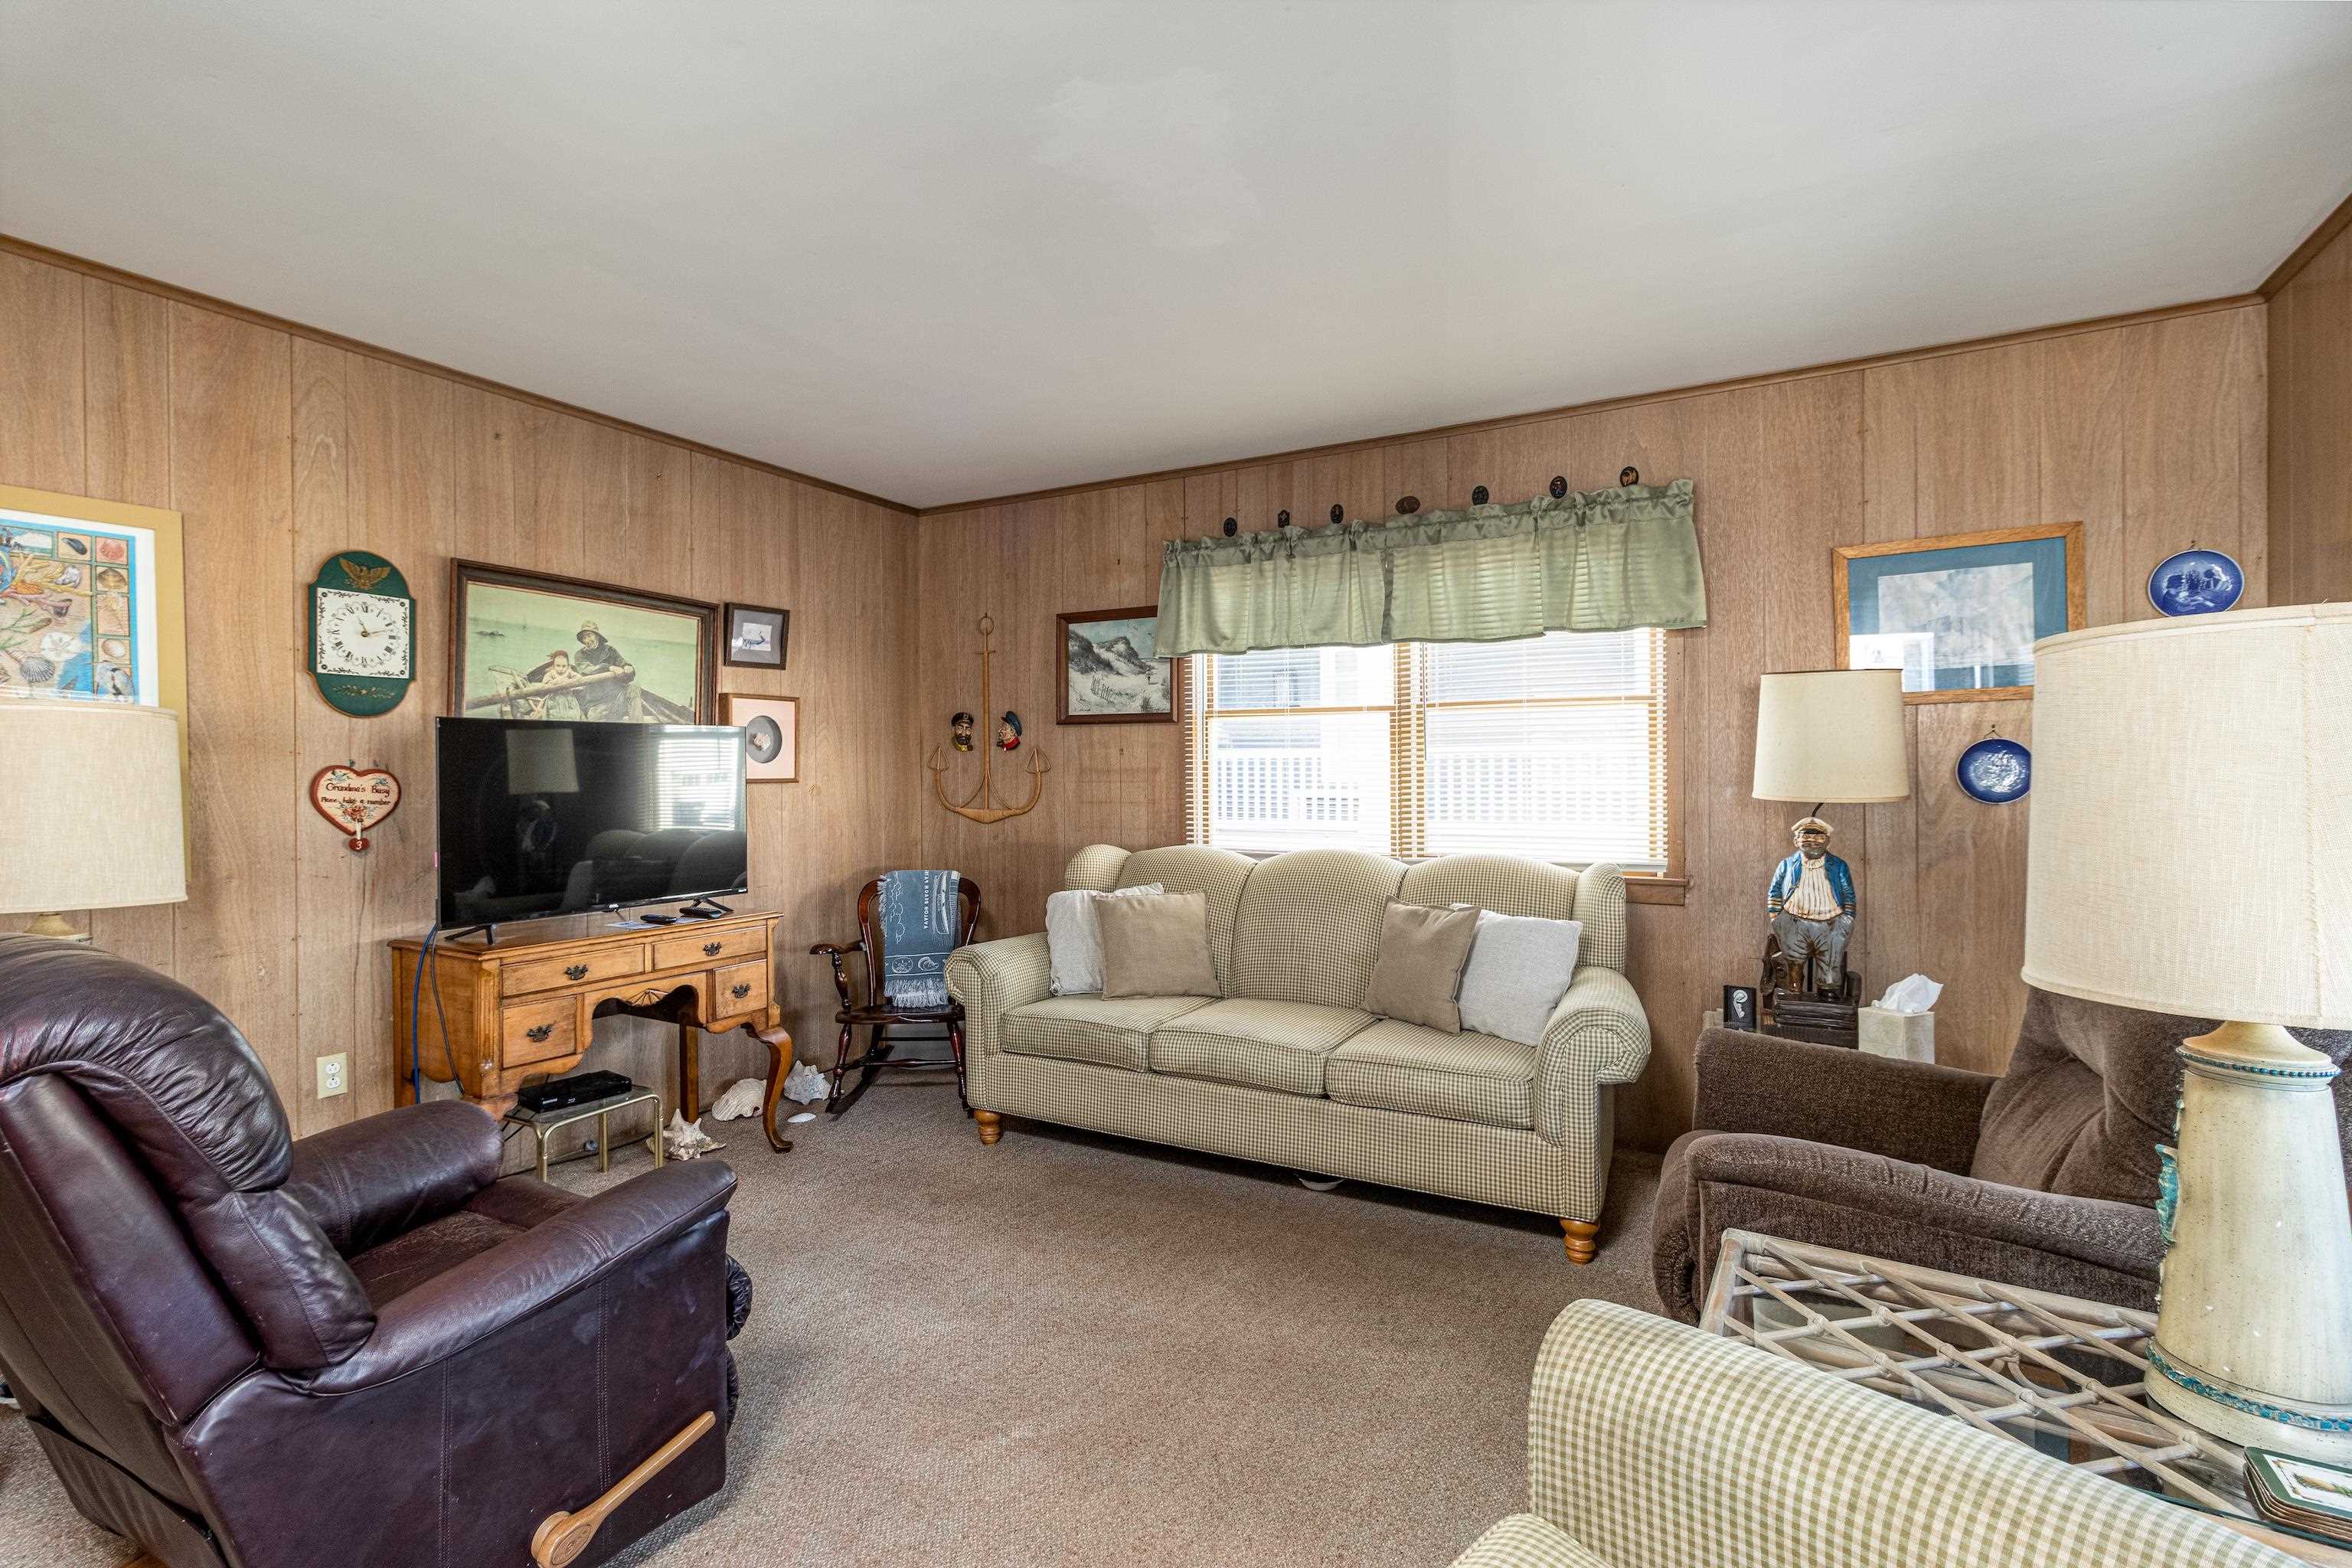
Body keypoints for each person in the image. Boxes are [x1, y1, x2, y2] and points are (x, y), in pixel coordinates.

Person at [1766, 815, 1855, 995]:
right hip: (1794, 923)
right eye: (1805, 836)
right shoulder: (1788, 865)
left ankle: (1827, 1003)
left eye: (1818, 837)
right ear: (1796, 840)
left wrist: (1847, 920)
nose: (1812, 840)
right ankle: (1794, 996)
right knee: (1793, 965)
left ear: (1827, 841)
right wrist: (1777, 919)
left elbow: (1848, 895)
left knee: (1830, 970)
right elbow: (1774, 892)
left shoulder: (1838, 866)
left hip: (1830, 924)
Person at [570, 621, 637, 720]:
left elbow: (624, 666)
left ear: (597, 636)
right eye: (584, 638)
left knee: (635, 687)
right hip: (595, 702)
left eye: (589, 635)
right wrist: (609, 667)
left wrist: (627, 668)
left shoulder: (610, 650)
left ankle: (638, 725)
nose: (587, 640)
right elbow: (588, 670)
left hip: (616, 697)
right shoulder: (580, 655)